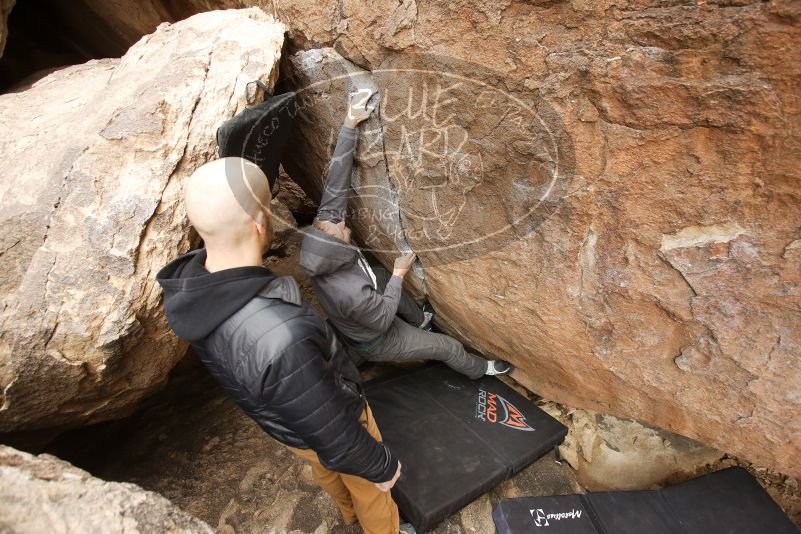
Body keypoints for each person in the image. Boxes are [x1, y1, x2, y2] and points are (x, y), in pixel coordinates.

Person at [156, 156, 412, 534]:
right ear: (260, 222)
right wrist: (381, 465)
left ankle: (348, 515)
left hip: (283, 424)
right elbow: (334, 431)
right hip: (332, 415)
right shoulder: (280, 332)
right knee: (370, 488)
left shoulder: (192, 289)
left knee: (323, 465)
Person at [300, 90, 512, 379]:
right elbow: (383, 319)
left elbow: (336, 183)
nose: (339, 221)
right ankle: (482, 369)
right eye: (337, 227)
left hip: (358, 318)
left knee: (381, 276)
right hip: (379, 338)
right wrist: (400, 272)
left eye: (328, 221)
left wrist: (349, 124)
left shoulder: (323, 245)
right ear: (335, 245)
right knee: (446, 347)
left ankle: (421, 322)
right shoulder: (351, 294)